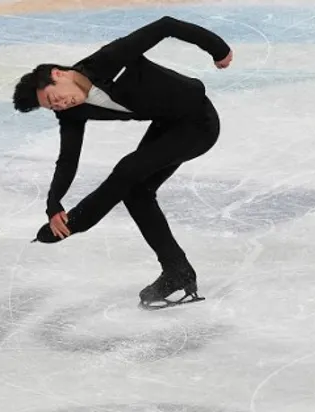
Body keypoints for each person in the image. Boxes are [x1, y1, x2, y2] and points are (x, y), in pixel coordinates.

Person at [12, 16, 233, 308]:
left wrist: (218, 49)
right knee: (136, 192)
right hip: (168, 125)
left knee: (128, 170)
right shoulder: (71, 113)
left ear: (59, 73)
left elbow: (166, 25)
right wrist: (54, 204)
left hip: (198, 121)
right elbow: (67, 160)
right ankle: (178, 272)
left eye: (55, 98)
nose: (60, 105)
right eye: (52, 106)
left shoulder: (108, 60)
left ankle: (81, 220)